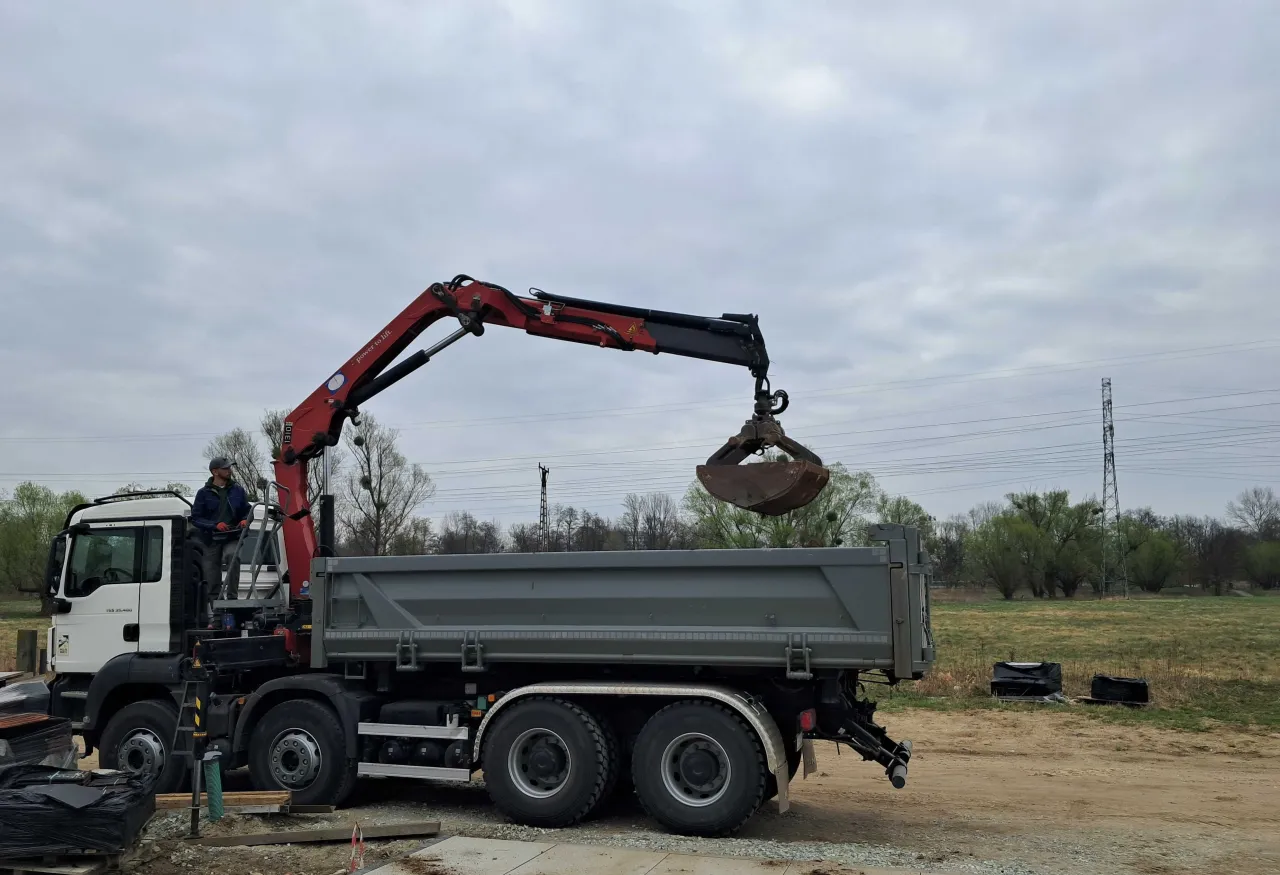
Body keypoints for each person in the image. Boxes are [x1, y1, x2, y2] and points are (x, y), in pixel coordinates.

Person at [191, 456, 250, 603]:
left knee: (232, 555)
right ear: (215, 472)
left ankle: (232, 599)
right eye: (225, 468)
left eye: (229, 468)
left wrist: (245, 519)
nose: (229, 470)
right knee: (211, 574)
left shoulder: (238, 490)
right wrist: (214, 525)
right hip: (211, 538)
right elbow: (196, 518)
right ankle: (217, 610)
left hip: (232, 535)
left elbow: (248, 510)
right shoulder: (203, 493)